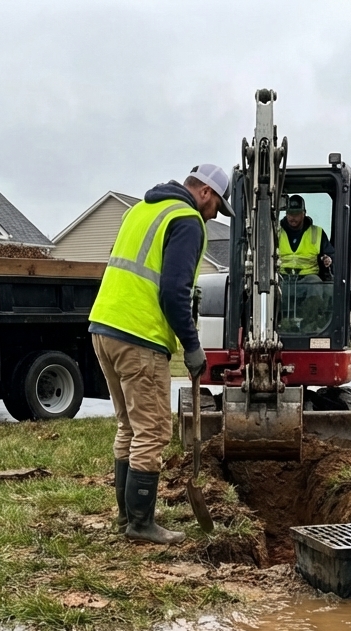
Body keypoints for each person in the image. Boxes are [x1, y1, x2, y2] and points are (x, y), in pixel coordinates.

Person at [88, 163, 232, 544]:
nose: (216, 212)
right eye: (217, 203)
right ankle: (140, 524)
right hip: (140, 335)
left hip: (104, 327)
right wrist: (192, 345)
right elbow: (173, 291)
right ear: (204, 192)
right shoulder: (187, 220)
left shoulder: (141, 209)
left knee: (129, 426)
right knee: (153, 430)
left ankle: (125, 519)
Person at [278, 194, 334, 280]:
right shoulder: (277, 233)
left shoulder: (317, 233)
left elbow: (331, 255)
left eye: (296, 213)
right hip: (282, 278)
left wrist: (328, 259)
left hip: (308, 279)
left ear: (303, 214)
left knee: (315, 282)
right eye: (290, 213)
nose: (293, 217)